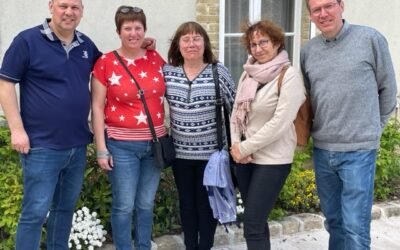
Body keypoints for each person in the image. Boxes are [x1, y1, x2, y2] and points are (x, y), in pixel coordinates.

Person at [0, 0, 102, 249]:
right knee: (34, 213)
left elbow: (111, 67)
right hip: (41, 146)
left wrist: (140, 46)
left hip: (77, 145)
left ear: (82, 12)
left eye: (75, 7)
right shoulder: (27, 41)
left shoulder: (86, 45)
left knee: (64, 209)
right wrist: (17, 129)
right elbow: (5, 84)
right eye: (63, 6)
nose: (69, 12)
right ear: (51, 7)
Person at [300, 1, 398, 249]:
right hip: (323, 151)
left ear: (341, 5)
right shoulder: (308, 51)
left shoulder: (370, 39)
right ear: (310, 16)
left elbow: (388, 90)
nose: (323, 14)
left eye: (328, 6)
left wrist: (374, 129)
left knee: (355, 228)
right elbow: (312, 96)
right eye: (316, 10)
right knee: (334, 223)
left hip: (359, 152)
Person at [91, 6, 165, 250]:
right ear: (118, 31)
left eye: (138, 28)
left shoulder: (155, 58)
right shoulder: (106, 62)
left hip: (154, 145)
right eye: (127, 28)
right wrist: (101, 148)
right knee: (124, 205)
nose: (133, 33)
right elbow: (98, 107)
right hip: (121, 146)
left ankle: (143, 246)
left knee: (145, 203)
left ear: (145, 30)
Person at [229, 19, 305, 250]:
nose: (258, 48)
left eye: (263, 42)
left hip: (272, 160)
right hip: (244, 159)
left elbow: (280, 123)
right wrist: (235, 146)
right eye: (253, 44)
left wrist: (244, 148)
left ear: (277, 43)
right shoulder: (247, 74)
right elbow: (235, 112)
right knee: (256, 221)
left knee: (252, 222)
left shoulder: (289, 75)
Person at [163, 21, 236, 250]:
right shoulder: (168, 72)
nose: (191, 44)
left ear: (205, 43)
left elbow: (236, 111)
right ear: (178, 45)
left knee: (206, 207)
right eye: (186, 39)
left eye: (196, 39)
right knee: (186, 205)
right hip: (181, 155)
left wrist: (239, 147)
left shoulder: (218, 71)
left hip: (212, 156)